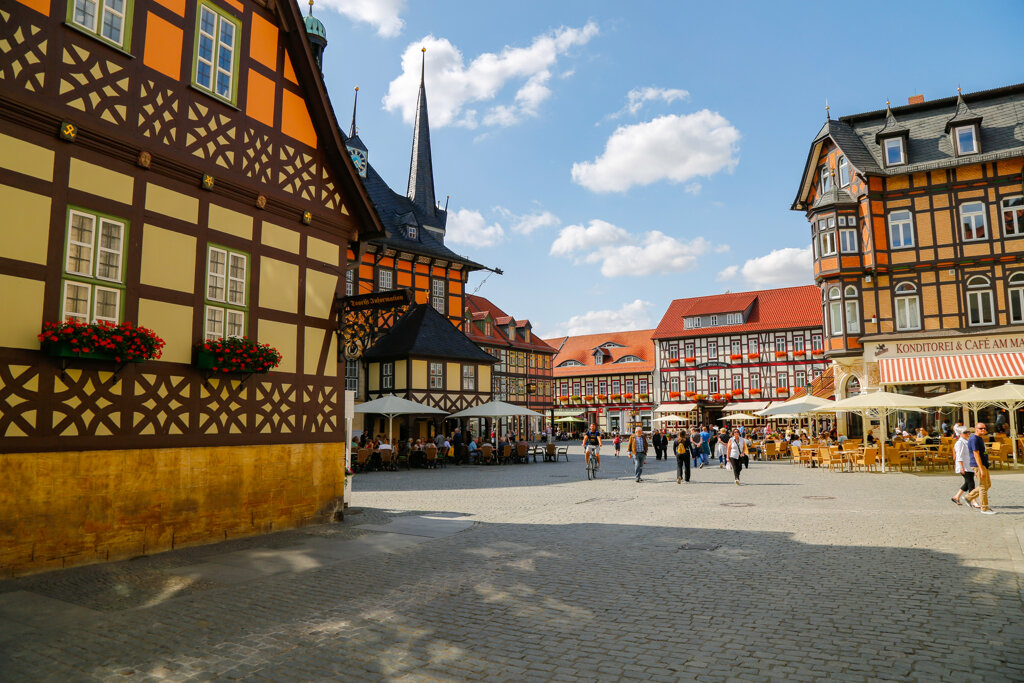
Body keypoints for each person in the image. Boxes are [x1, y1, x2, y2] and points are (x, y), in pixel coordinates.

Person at [964, 423, 996, 514]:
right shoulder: (974, 439)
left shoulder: (980, 439)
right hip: (978, 465)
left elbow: (982, 452)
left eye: (984, 428)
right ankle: (984, 508)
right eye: (981, 428)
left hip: (984, 464)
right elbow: (976, 454)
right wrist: (981, 468)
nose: (983, 430)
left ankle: (968, 497)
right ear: (976, 429)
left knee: (987, 485)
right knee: (983, 486)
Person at [952, 427, 976, 507]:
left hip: (969, 465)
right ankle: (973, 500)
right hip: (964, 466)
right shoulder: (960, 443)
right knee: (971, 483)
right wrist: (961, 467)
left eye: (968, 432)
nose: (968, 434)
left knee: (967, 482)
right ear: (960, 434)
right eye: (965, 432)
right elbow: (959, 456)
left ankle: (956, 497)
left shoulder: (966, 441)